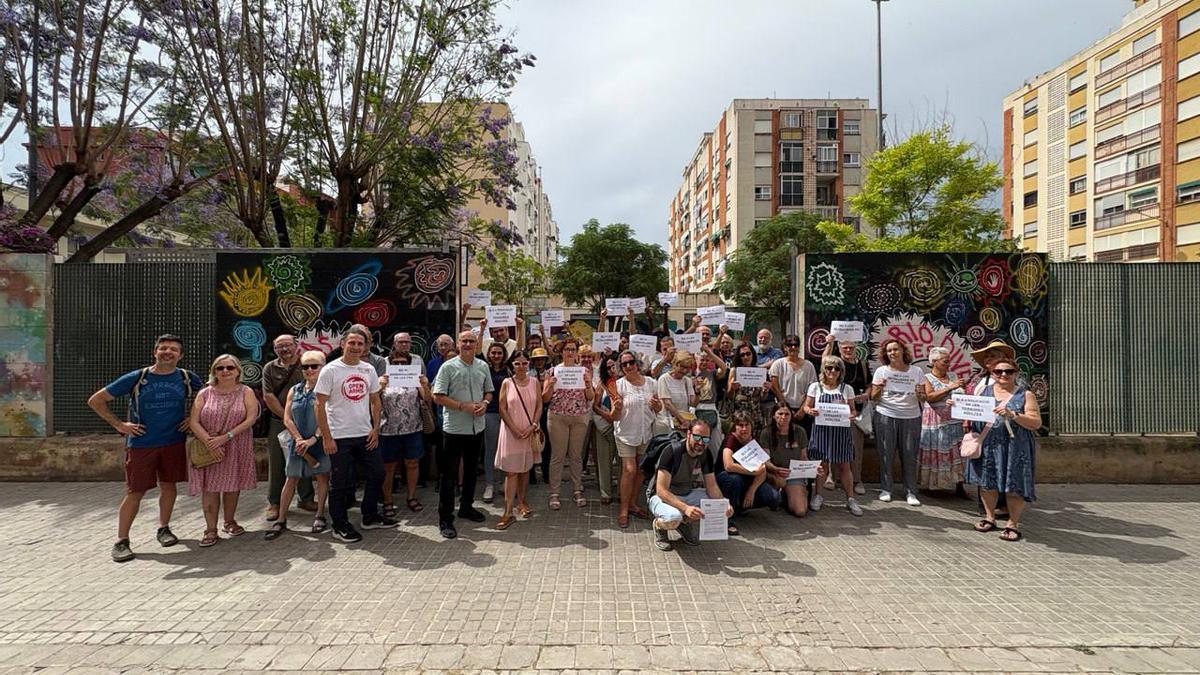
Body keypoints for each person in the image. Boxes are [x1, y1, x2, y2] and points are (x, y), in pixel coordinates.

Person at [89, 334, 205, 562]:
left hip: (173, 441)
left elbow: (207, 398)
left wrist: (192, 418)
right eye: (163, 348)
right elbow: (96, 400)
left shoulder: (186, 378)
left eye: (173, 349)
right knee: (135, 492)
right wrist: (120, 425)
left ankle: (164, 528)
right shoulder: (138, 377)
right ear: (155, 352)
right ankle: (122, 541)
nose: (168, 352)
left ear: (180, 355)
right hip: (142, 444)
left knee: (169, 486)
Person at [315, 327, 395, 543]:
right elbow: (319, 405)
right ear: (343, 344)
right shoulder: (330, 370)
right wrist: (327, 437)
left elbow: (375, 400)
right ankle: (339, 524)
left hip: (365, 433)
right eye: (352, 343)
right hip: (339, 436)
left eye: (360, 344)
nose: (356, 347)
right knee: (340, 482)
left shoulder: (368, 370)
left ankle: (369, 516)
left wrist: (375, 428)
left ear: (365, 347)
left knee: (377, 474)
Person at [187, 354, 260, 547]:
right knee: (210, 488)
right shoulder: (205, 393)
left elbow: (251, 418)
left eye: (230, 367)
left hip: (236, 444)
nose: (225, 371)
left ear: (238, 371)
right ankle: (210, 529)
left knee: (232, 485)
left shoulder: (246, 391)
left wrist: (225, 437)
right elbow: (194, 421)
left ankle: (229, 521)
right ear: (214, 372)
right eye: (220, 368)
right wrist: (210, 442)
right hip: (209, 444)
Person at [964, 358, 1041, 541]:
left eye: (1008, 371)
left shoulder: (1025, 395)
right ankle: (990, 518)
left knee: (1014, 485)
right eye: (998, 372)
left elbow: (1036, 422)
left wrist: (1013, 415)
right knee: (987, 482)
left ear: (1016, 373)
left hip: (1015, 447)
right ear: (993, 374)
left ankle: (1012, 523)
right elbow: (973, 413)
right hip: (989, 445)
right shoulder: (984, 391)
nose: (1003, 375)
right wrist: (958, 408)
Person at [431, 330, 494, 539]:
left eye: (472, 341)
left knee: (471, 472)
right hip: (455, 428)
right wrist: (462, 406)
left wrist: (485, 404)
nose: (468, 344)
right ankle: (446, 518)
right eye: (464, 341)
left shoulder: (483, 366)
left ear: (477, 344)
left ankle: (466, 507)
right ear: (458, 344)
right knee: (448, 476)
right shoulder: (448, 367)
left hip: (477, 427)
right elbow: (437, 396)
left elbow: (489, 391)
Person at [267, 350, 332, 540]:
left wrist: (314, 439)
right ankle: (281, 519)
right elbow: (287, 418)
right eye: (305, 366)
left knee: (322, 477)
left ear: (323, 367)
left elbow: (330, 417)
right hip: (298, 443)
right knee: (291, 478)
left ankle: (320, 515)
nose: (309, 370)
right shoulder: (294, 390)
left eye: (314, 366)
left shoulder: (328, 390)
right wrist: (298, 439)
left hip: (319, 441)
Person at [649, 419, 733, 551]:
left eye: (705, 439)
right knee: (673, 517)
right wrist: (686, 508)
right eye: (697, 437)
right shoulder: (672, 452)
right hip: (661, 497)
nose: (701, 443)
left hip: (686, 494)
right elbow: (661, 490)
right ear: (688, 434)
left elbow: (712, 486)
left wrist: (724, 504)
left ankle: (683, 524)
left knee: (714, 503)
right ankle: (660, 526)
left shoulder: (706, 454)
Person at [261, 334, 315, 522]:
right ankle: (274, 502)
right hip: (278, 420)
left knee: (305, 457)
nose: (284, 349)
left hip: (305, 421)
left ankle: (306, 498)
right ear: (275, 349)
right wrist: (287, 416)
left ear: (296, 345)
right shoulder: (269, 368)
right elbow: (268, 395)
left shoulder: (306, 364)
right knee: (277, 461)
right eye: (279, 346)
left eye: (287, 345)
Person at [803, 356, 863, 517]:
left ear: (841, 371)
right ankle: (818, 495)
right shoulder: (815, 387)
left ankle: (850, 498)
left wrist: (852, 415)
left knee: (844, 465)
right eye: (829, 368)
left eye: (836, 368)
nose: (832, 371)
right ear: (824, 370)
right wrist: (811, 411)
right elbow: (806, 406)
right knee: (822, 465)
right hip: (821, 430)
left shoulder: (847, 389)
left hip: (841, 431)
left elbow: (853, 410)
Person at [869, 338, 925, 506]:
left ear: (903, 350)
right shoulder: (881, 371)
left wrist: (919, 393)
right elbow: (873, 398)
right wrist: (878, 388)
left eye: (895, 349)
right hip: (886, 414)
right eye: (889, 351)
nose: (892, 353)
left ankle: (911, 492)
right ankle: (886, 489)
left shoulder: (916, 371)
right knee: (886, 453)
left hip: (911, 417)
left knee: (909, 455)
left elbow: (924, 397)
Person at [378, 349, 432, 517]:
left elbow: (428, 398)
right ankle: (387, 501)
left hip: (413, 429)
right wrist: (380, 387)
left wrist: (424, 384)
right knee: (389, 467)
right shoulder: (382, 380)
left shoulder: (415, 380)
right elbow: (372, 400)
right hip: (388, 430)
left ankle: (411, 496)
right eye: (396, 363)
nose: (400, 365)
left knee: (412, 464)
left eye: (403, 363)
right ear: (390, 364)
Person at [613, 350, 662, 528]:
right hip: (625, 433)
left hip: (645, 433)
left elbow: (659, 407)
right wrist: (617, 408)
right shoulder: (618, 385)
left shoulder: (651, 383)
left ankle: (633, 503)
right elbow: (614, 415)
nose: (628, 366)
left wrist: (657, 406)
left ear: (637, 363)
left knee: (641, 471)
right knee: (629, 470)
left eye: (631, 362)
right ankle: (623, 510)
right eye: (624, 364)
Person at [543, 338, 594, 509]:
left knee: (576, 456)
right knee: (557, 456)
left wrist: (588, 384)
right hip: (558, 417)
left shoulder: (583, 372)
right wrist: (550, 386)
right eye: (567, 349)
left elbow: (590, 397)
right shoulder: (552, 371)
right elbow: (545, 398)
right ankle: (554, 493)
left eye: (573, 349)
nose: (570, 352)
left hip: (579, 417)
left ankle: (577, 489)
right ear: (561, 352)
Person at [494, 350, 541, 530]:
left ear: (528, 364)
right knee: (511, 472)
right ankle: (507, 511)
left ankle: (522, 502)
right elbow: (502, 408)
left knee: (525, 469)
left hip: (529, 432)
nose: (521, 367)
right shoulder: (507, 382)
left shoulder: (535, 382)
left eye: (524, 363)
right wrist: (513, 429)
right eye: (517, 363)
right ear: (511, 365)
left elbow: (539, 406)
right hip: (511, 433)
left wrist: (533, 426)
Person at [717, 411, 781, 535]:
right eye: (740, 425)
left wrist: (752, 490)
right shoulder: (731, 439)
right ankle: (728, 520)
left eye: (747, 425)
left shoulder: (752, 441)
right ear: (734, 427)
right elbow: (728, 465)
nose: (744, 428)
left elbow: (762, 468)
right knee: (735, 480)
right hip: (726, 478)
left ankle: (740, 507)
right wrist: (752, 472)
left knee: (773, 497)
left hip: (746, 481)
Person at [823, 339, 870, 495]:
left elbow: (869, 384)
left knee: (855, 447)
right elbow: (824, 361)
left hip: (854, 412)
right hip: (835, 412)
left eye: (851, 347)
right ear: (840, 348)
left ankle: (857, 480)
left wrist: (866, 395)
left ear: (855, 348)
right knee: (832, 445)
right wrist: (829, 343)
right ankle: (832, 477)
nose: (848, 350)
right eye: (845, 347)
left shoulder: (862, 364)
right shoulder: (835, 363)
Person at [918, 346, 967, 495]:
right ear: (934, 361)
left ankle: (959, 485)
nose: (948, 364)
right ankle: (932, 485)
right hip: (936, 420)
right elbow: (929, 396)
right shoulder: (927, 378)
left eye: (949, 361)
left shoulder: (953, 376)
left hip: (954, 420)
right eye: (945, 361)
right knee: (937, 450)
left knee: (957, 452)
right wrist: (950, 388)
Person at [758, 405, 810, 518]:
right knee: (777, 486)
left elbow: (804, 457)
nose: (783, 417)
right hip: (775, 473)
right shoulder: (766, 433)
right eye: (780, 414)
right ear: (773, 416)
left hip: (794, 474)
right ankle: (781, 494)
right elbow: (765, 460)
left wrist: (813, 468)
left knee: (800, 511)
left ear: (791, 416)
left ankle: (789, 496)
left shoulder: (800, 431)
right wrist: (776, 470)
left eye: (787, 414)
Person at [481, 343, 510, 504]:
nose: (496, 355)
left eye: (499, 353)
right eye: (493, 352)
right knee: (491, 449)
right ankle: (490, 484)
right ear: (489, 354)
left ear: (504, 354)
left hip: (508, 414)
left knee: (506, 449)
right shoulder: (484, 369)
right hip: (490, 413)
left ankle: (505, 482)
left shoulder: (509, 370)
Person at [592, 353, 621, 505]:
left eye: (613, 366)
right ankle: (606, 492)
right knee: (604, 461)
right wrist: (608, 416)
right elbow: (595, 406)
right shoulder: (601, 384)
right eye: (608, 367)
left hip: (623, 428)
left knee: (623, 462)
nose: (611, 369)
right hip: (605, 427)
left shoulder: (625, 383)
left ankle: (623, 492)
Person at [769, 334, 817, 422]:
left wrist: (802, 410)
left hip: (803, 411)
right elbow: (775, 387)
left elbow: (812, 390)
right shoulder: (778, 364)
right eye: (790, 345)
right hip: (782, 410)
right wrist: (786, 408)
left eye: (796, 344)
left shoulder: (809, 366)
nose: (793, 347)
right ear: (785, 347)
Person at [723, 344, 768, 435]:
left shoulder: (759, 372)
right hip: (739, 413)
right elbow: (729, 396)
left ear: (753, 354)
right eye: (742, 355)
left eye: (748, 354)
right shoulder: (734, 371)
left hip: (755, 413)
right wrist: (732, 388)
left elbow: (762, 398)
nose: (746, 357)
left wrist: (765, 391)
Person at [656, 350, 697, 433]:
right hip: (667, 425)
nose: (685, 371)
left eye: (688, 368)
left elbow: (693, 403)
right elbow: (667, 404)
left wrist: (698, 391)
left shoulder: (687, 381)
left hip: (683, 426)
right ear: (674, 364)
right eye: (682, 367)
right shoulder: (664, 379)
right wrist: (682, 420)